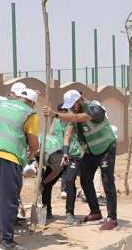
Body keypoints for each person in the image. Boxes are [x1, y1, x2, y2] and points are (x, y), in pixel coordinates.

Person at [0, 87, 39, 250]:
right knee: (8, 200)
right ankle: (7, 242)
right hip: (8, 156)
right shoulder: (30, 113)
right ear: (32, 103)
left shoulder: (1, 106)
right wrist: (30, 155)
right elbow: (33, 143)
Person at [48, 89, 119, 229]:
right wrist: (65, 151)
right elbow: (69, 133)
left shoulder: (94, 108)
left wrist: (55, 114)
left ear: (80, 100)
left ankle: (112, 217)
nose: (72, 108)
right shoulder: (74, 114)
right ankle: (95, 211)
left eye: (73, 105)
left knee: (107, 181)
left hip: (106, 149)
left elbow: (80, 118)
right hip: (90, 152)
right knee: (85, 179)